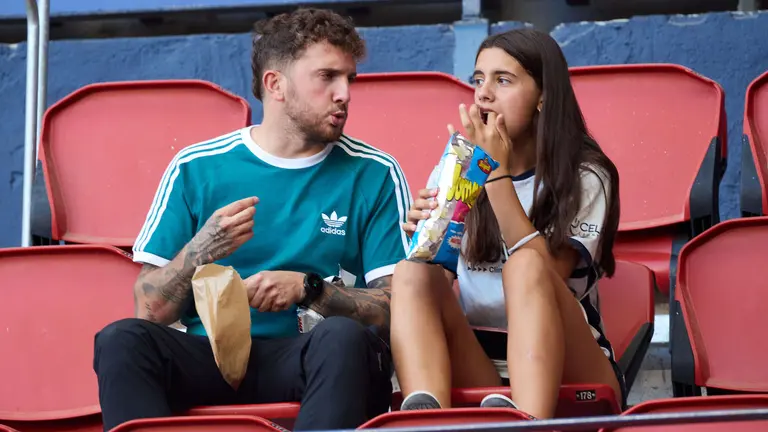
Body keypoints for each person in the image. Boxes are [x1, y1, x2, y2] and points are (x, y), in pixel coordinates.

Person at [93, 8, 410, 431]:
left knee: (343, 339)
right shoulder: (197, 167)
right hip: (211, 357)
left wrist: (307, 289)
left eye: (349, 79)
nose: (344, 94)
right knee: (121, 340)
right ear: (275, 84)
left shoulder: (374, 173)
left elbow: (399, 310)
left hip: (310, 356)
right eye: (327, 77)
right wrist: (199, 251)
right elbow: (149, 311)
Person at [390, 28, 626, 420]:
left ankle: (527, 422)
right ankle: (426, 420)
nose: (483, 93)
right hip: (482, 362)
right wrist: (428, 239)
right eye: (478, 79)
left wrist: (493, 174)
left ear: (543, 95)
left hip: (569, 362)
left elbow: (547, 274)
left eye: (503, 80)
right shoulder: (454, 167)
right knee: (411, 273)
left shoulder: (586, 174)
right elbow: (438, 285)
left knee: (526, 264)